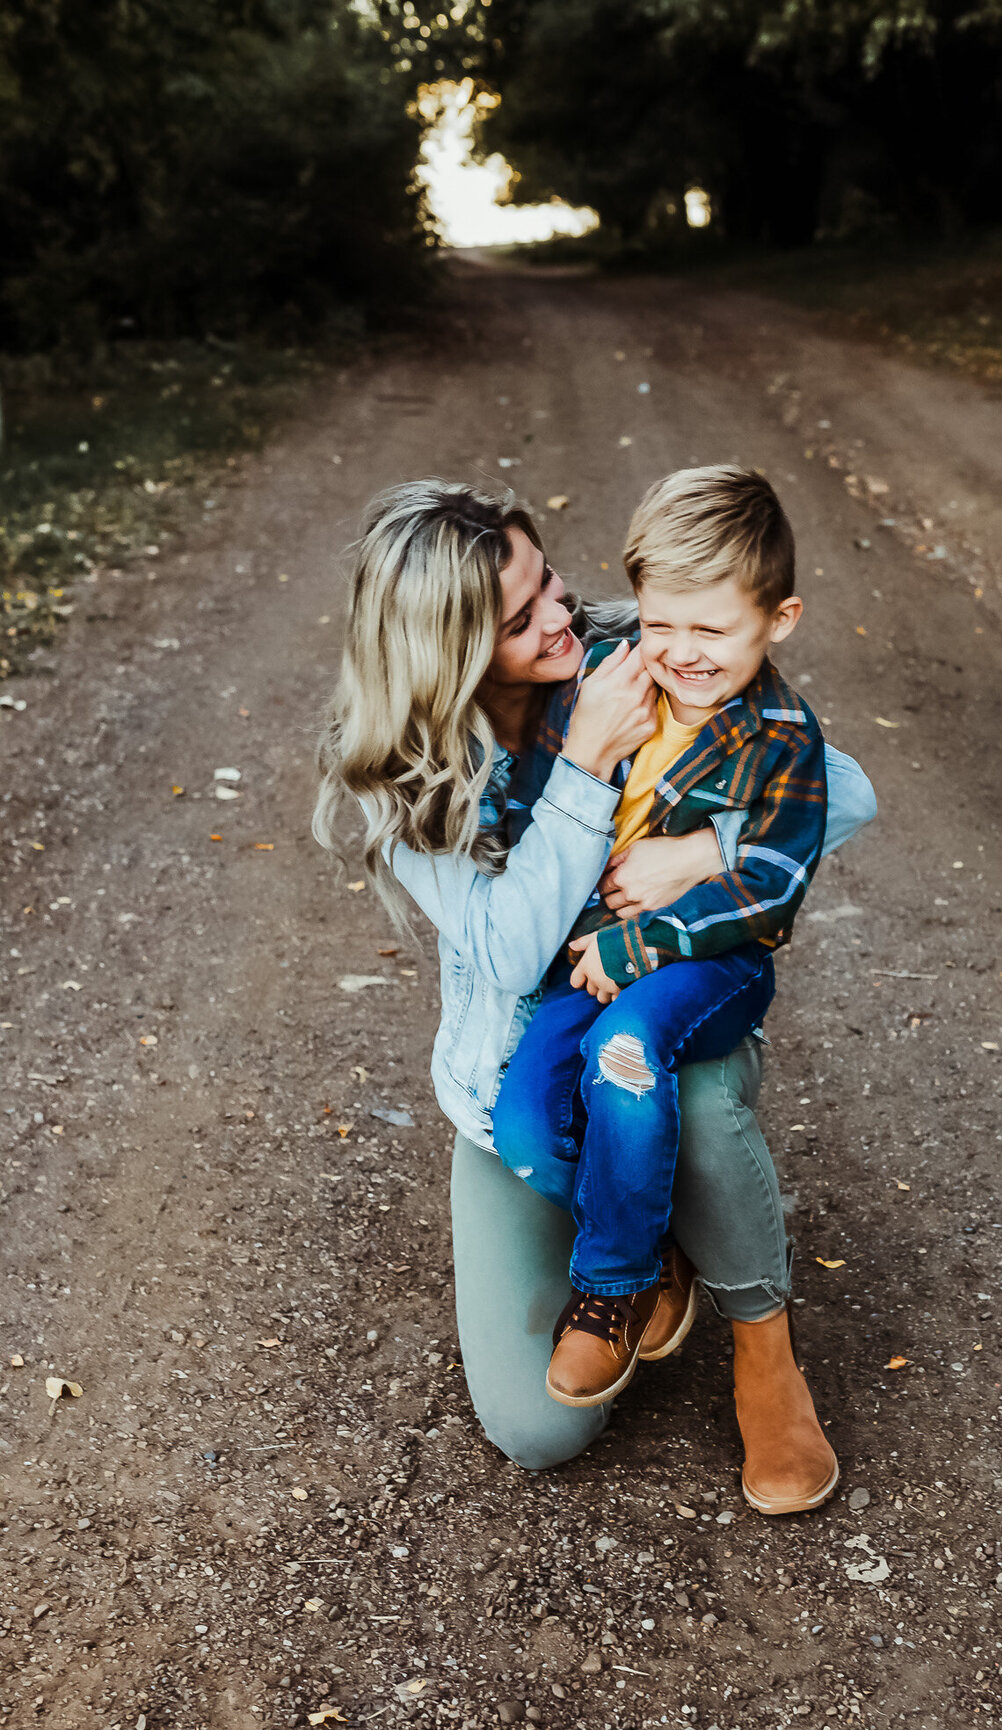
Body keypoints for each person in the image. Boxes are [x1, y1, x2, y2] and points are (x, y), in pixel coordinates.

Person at [313, 479, 876, 1510]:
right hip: (519, 1064)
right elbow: (511, 954)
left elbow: (846, 788)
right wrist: (583, 767)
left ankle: (766, 1352)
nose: (562, 621)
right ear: (452, 659)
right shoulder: (403, 771)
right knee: (537, 1432)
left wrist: (703, 849)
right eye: (521, 623)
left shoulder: (634, 647)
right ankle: (648, 1242)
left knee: (683, 1093)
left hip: (666, 991)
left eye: (552, 585)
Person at [492, 471, 831, 1474]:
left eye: (715, 632)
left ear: (782, 618)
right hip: (584, 955)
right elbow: (531, 804)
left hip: (704, 967)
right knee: (521, 1120)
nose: (684, 654)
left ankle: (611, 1287)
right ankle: (652, 1239)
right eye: (663, 623)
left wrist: (641, 942)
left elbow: (772, 891)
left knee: (627, 1056)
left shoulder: (781, 739)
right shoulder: (606, 671)